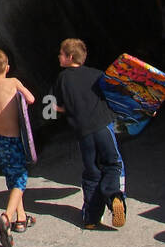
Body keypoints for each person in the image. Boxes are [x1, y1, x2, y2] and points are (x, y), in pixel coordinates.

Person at [52, 37, 126, 229]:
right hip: (103, 127)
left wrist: (61, 109)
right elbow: (116, 97)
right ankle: (114, 196)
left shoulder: (62, 79)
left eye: (60, 54)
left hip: (83, 133)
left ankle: (91, 219)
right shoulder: (98, 75)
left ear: (69, 57)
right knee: (112, 164)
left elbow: (58, 107)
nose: (58, 57)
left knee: (92, 172)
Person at [0, 48, 36, 247]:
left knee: (11, 177)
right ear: (8, 67)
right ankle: (7, 216)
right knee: (20, 179)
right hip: (14, 139)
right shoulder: (13, 82)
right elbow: (30, 99)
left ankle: (21, 218)